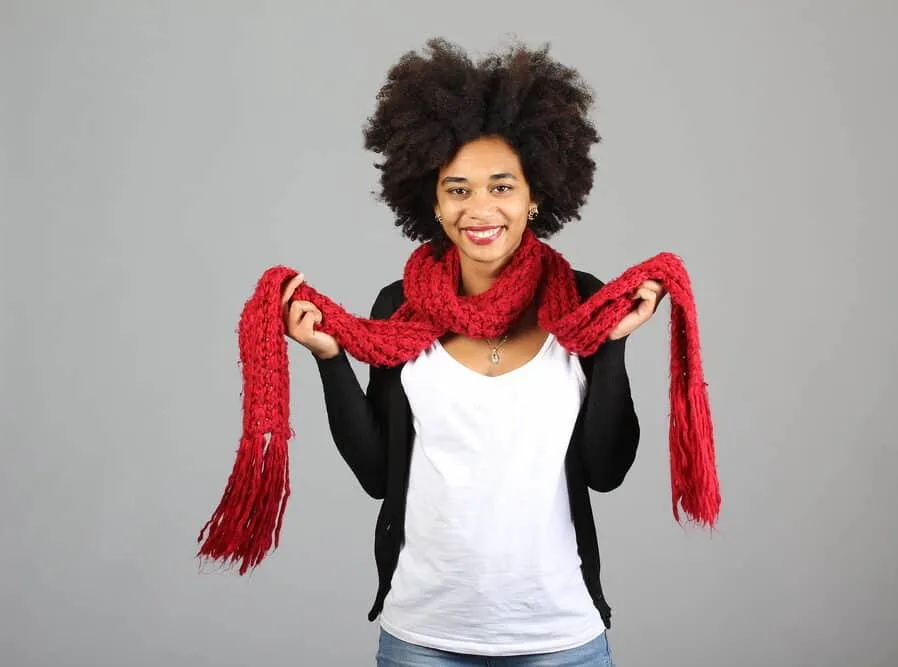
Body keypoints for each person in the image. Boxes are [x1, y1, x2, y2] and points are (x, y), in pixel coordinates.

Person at [281, 39, 663, 666]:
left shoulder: (582, 304)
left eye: (501, 186)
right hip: (423, 640)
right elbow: (379, 475)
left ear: (535, 195)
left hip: (559, 639)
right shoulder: (398, 306)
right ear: (432, 203)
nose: (479, 209)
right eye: (457, 189)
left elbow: (607, 469)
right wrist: (329, 359)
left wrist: (613, 348)